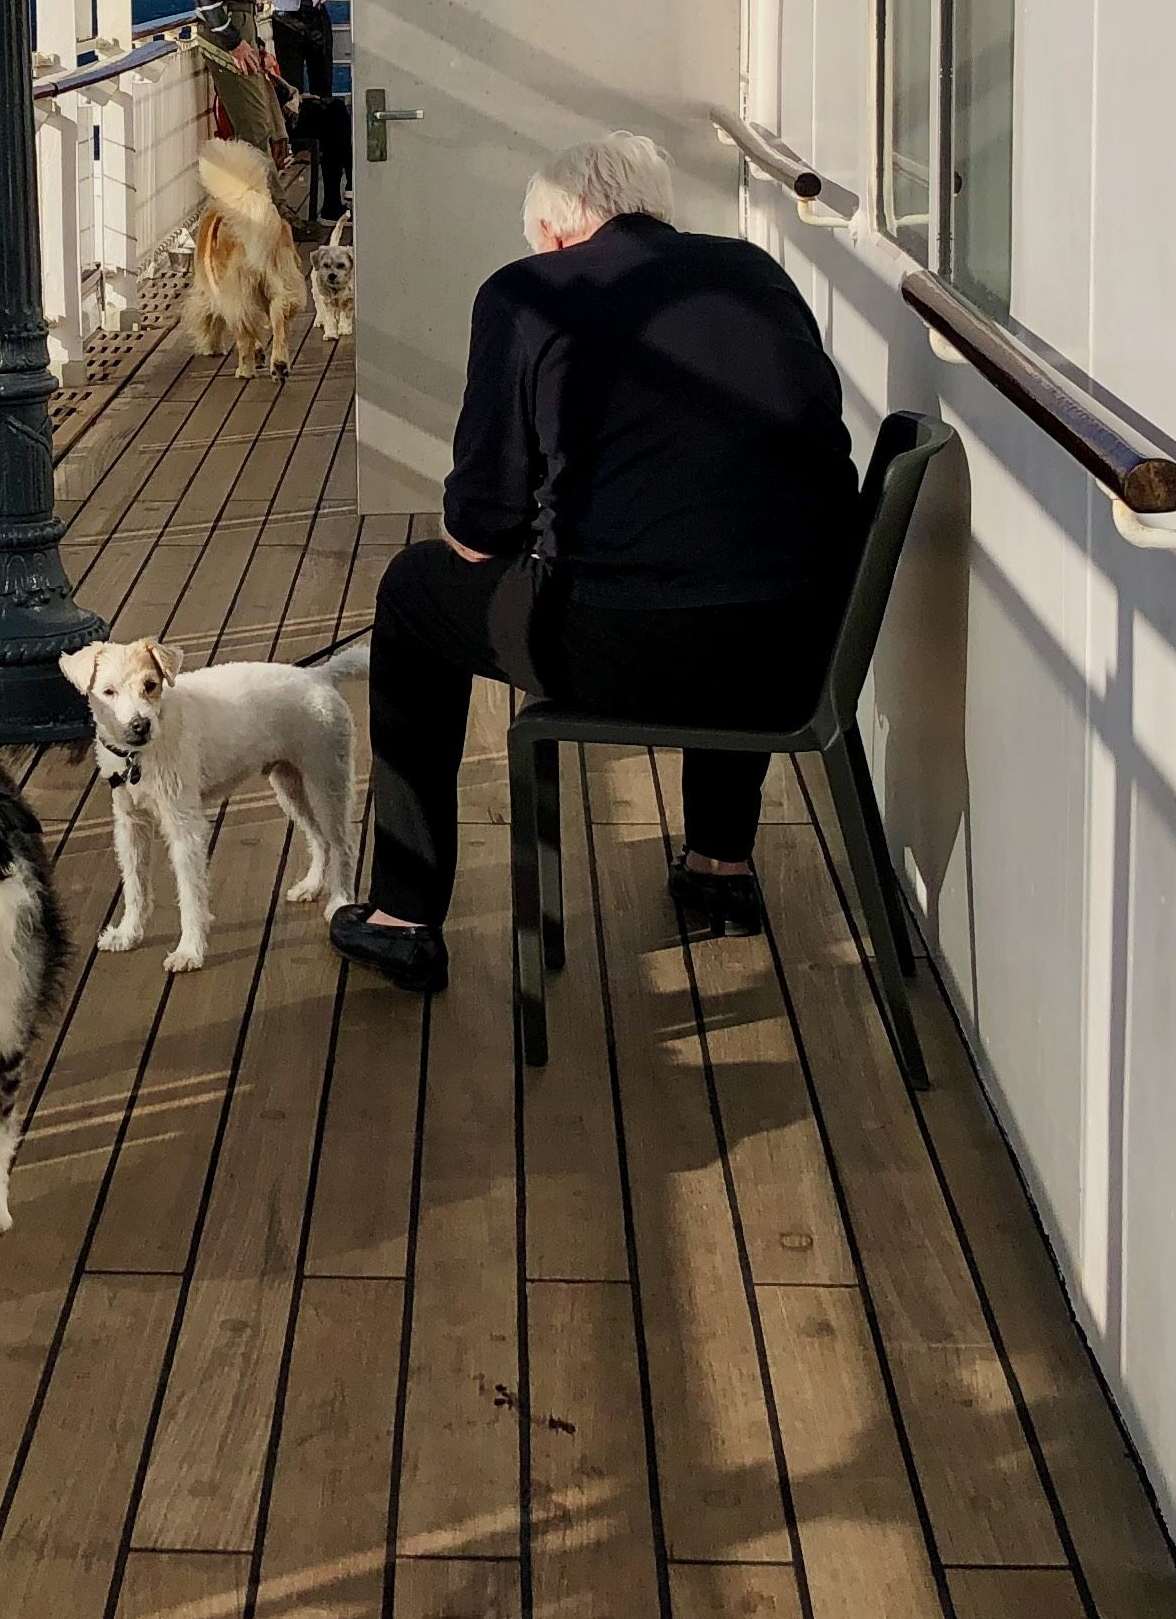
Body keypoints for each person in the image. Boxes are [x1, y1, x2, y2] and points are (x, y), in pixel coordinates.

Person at [331, 132, 856, 990]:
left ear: (558, 230)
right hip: (800, 651)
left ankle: (403, 913)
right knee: (732, 552)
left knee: (415, 591)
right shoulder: (756, 274)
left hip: (628, 654)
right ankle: (719, 864)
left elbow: (480, 528)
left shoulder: (525, 294)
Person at [256, 0, 350, 224]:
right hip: (286, 21)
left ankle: (326, 146)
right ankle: (300, 141)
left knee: (324, 85)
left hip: (315, 18)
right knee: (293, 85)